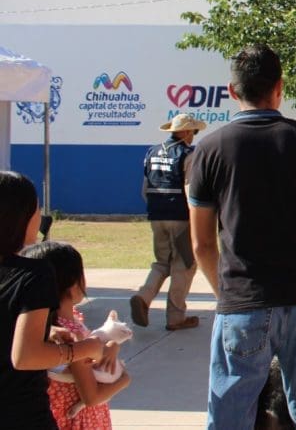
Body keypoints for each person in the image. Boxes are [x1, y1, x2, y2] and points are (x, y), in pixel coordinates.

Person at [186, 44, 296, 429]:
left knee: (230, 418)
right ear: (280, 87)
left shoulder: (209, 150)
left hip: (243, 302)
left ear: (232, 91)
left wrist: (225, 295)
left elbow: (202, 244)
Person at [1, 171, 107, 429]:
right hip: (20, 413)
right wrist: (86, 348)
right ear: (21, 216)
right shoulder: (33, 274)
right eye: (37, 208)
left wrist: (45, 332)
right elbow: (25, 356)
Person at [23, 241, 129, 429]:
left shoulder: (48, 326)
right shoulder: (69, 335)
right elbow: (91, 396)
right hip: (77, 421)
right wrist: (124, 380)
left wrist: (111, 347)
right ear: (73, 283)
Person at [130, 113, 206, 331]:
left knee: (162, 263)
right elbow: (190, 187)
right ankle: (175, 317)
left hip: (156, 215)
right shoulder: (187, 154)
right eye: (192, 131)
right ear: (183, 131)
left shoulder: (151, 152)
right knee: (183, 265)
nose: (193, 135)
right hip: (180, 216)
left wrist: (156, 208)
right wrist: (195, 216)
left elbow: (144, 189)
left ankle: (143, 297)